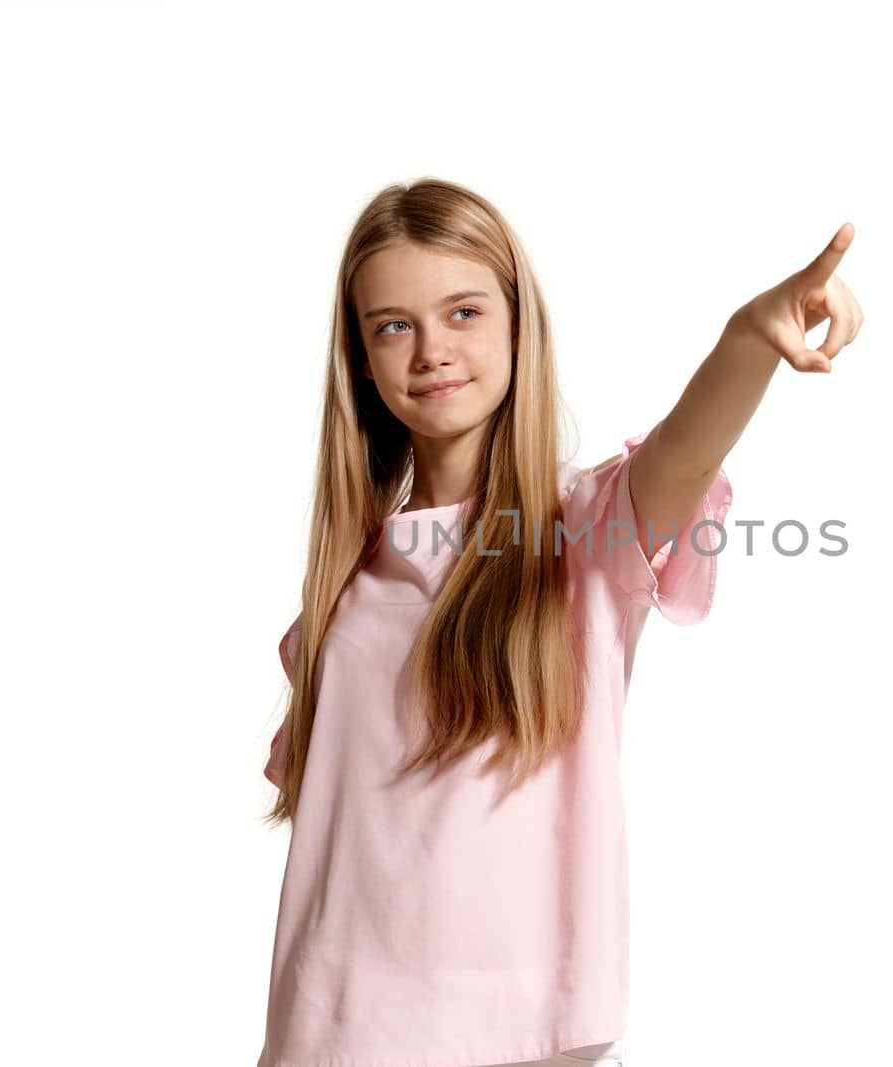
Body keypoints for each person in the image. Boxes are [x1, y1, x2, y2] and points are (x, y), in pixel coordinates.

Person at [256, 177, 862, 1067]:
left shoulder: (583, 533)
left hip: (520, 1046)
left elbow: (686, 449)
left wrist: (749, 342)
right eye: (393, 325)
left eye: (462, 312)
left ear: (515, 324)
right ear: (361, 359)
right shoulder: (344, 590)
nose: (430, 349)